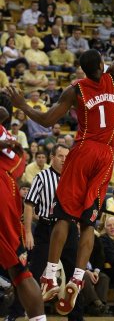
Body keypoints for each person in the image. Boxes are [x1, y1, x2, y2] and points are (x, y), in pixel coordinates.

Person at [6, 0, 114, 315]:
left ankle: (51, 273)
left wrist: (23, 105)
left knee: (62, 216)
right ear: (101, 65)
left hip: (82, 150)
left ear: (82, 69)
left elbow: (47, 121)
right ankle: (79, 277)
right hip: (105, 156)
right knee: (89, 222)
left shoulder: (76, 89)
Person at [7, 144, 84, 321]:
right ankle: (16, 311)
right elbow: (29, 204)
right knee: (33, 273)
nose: (64, 159)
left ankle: (77, 316)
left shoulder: (72, 177)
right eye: (60, 156)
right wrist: (28, 232)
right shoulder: (42, 177)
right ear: (52, 157)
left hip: (69, 228)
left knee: (75, 273)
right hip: (46, 228)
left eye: (66, 156)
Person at [0, 107, 46, 321]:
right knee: (19, 272)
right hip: (9, 190)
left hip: (3, 188)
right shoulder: (8, 137)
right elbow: (2, 110)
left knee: (19, 272)